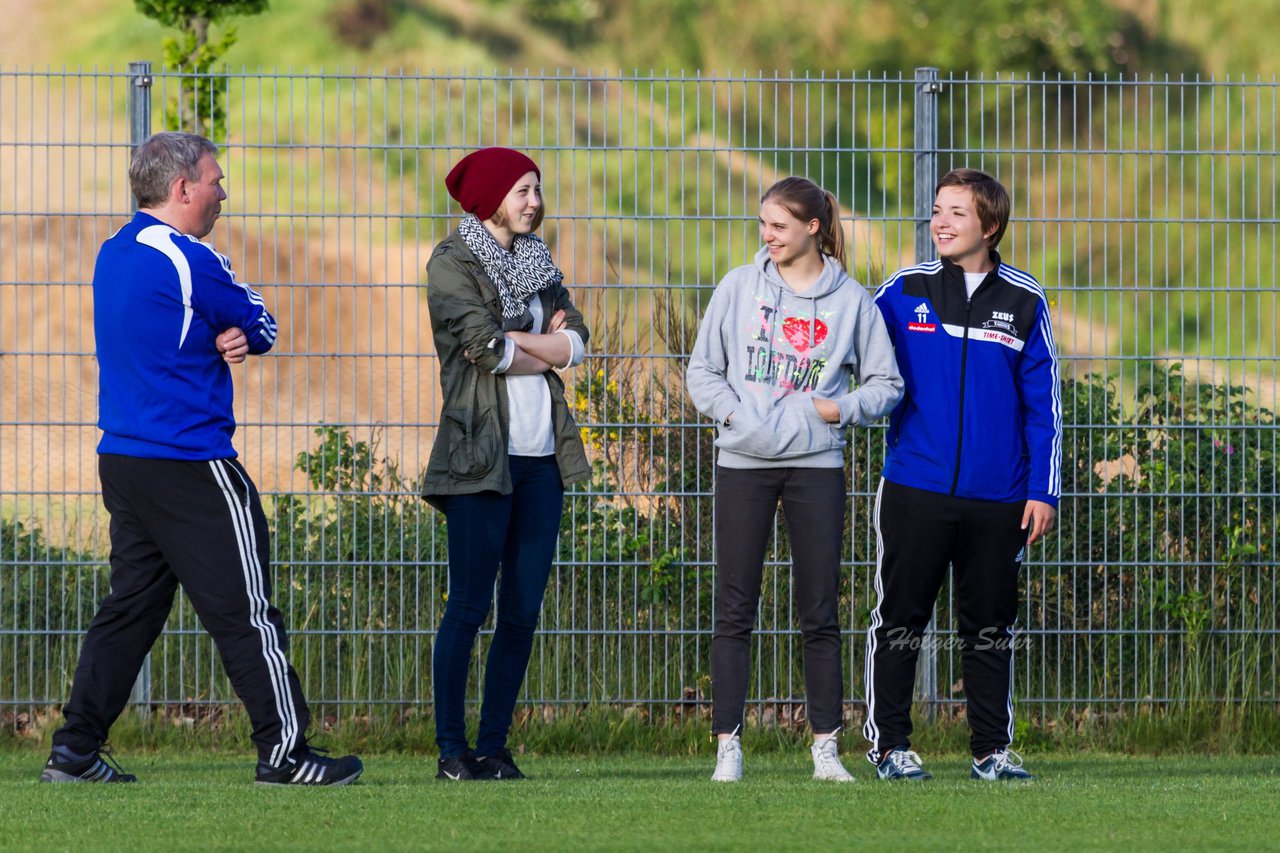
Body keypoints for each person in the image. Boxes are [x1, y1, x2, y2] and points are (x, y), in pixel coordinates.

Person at [41, 132, 363, 786]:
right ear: (183, 187)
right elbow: (263, 321)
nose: (223, 192)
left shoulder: (114, 251)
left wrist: (221, 332)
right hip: (191, 459)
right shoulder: (193, 258)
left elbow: (173, 329)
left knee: (129, 609)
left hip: (125, 459)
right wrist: (240, 330)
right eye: (215, 180)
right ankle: (287, 752)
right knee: (246, 609)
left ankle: (73, 751)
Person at [686, 176, 903, 782]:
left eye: (779, 226)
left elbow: (888, 385)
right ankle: (728, 746)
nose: (767, 236)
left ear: (813, 228)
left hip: (816, 465)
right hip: (743, 462)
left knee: (819, 611)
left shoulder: (852, 302)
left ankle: (826, 750)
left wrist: (837, 410)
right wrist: (734, 413)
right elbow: (701, 371)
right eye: (763, 225)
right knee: (734, 607)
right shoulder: (738, 287)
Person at [862, 168, 1061, 782]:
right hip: (915, 488)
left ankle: (990, 751)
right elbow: (849, 346)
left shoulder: (1025, 299)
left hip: (999, 498)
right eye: (936, 210)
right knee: (900, 622)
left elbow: (1044, 407)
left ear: (990, 226)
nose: (939, 222)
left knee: (989, 628)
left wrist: (1042, 492)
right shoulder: (903, 290)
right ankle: (890, 747)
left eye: (955, 212)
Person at [423, 146, 590, 781]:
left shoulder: (538, 263)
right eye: (522, 190)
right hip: (479, 457)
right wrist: (536, 344)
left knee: (522, 609)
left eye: (536, 189)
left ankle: (494, 746)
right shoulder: (451, 262)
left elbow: (577, 341)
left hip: (541, 459)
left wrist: (523, 342)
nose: (534, 202)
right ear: (491, 196)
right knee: (468, 606)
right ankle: (451, 750)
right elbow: (480, 347)